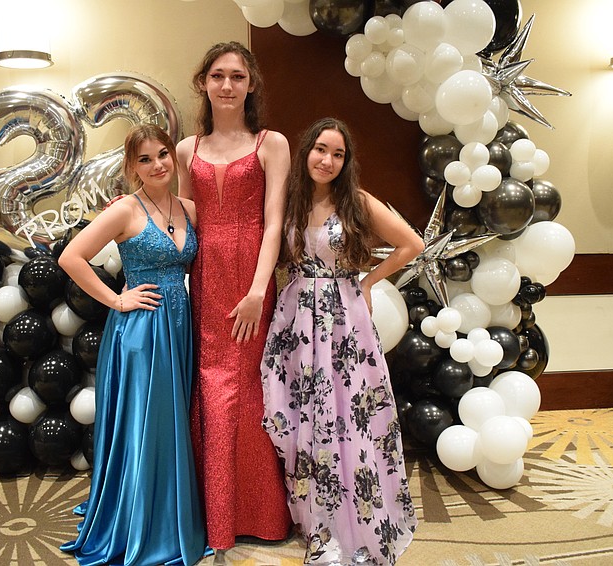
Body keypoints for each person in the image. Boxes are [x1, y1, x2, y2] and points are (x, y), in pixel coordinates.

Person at [261, 118, 424, 565]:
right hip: (295, 318)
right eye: (320, 149)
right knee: (296, 416)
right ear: (305, 152)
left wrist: (369, 281)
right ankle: (314, 518)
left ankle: (341, 524)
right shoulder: (289, 201)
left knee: (348, 415)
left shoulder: (357, 202)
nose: (327, 160)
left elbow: (412, 244)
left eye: (338, 154)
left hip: (343, 318)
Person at [59, 123, 206, 566]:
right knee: (147, 425)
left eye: (163, 154)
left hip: (179, 328)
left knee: (171, 422)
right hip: (141, 334)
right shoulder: (125, 208)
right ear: (131, 167)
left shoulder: (189, 209)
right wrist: (117, 299)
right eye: (145, 158)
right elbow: (71, 257)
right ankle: (144, 524)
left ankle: (168, 512)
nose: (158, 164)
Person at [175, 41, 292, 551]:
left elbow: (273, 223)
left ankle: (262, 515)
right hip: (204, 278)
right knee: (211, 386)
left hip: (251, 277)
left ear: (251, 84)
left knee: (247, 390)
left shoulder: (272, 143)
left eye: (237, 77)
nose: (227, 85)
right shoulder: (186, 149)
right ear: (203, 82)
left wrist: (257, 290)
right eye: (218, 75)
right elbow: (183, 222)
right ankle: (216, 515)